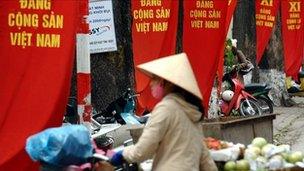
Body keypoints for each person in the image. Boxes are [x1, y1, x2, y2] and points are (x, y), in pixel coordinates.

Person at [110, 53, 217, 171]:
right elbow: (203, 155)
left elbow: (143, 151)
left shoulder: (166, 108)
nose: (151, 83)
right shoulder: (190, 110)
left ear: (169, 83)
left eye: (155, 79)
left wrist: (122, 154)